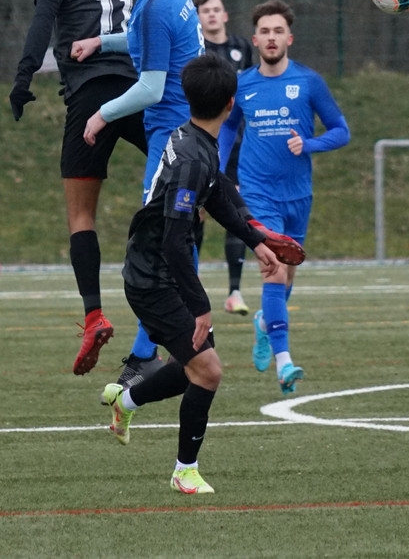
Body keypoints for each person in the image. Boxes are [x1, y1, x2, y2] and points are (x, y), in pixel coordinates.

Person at [99, 53, 280, 494]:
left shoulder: (194, 138)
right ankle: (184, 471)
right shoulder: (193, 159)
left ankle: (126, 401)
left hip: (158, 271)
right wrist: (200, 306)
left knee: (194, 365)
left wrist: (256, 241)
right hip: (152, 279)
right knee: (208, 371)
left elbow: (216, 196)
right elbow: (174, 241)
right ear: (231, 105)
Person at [9, 0, 145, 377]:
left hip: (90, 96)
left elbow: (41, 24)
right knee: (183, 177)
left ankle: (94, 315)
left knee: (81, 215)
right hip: (137, 92)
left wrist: (23, 78)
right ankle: (245, 227)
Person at [71, 0, 203, 388]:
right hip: (189, 136)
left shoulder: (155, 7)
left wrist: (102, 114)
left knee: (154, 249)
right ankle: (179, 337)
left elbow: (151, 86)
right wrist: (100, 42)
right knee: (175, 240)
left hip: (171, 142)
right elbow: (146, 41)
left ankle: (153, 351)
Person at [218, 0, 350, 394]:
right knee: (274, 267)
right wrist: (217, 171)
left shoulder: (308, 82)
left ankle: (264, 321)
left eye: (279, 31)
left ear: (289, 38)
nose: (272, 37)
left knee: (288, 273)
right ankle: (284, 362)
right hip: (257, 193)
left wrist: (309, 145)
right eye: (265, 31)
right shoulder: (241, 84)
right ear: (255, 40)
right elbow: (227, 129)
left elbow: (341, 130)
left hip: (298, 195)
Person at [193, 0, 255, 316]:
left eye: (216, 9)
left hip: (235, 145)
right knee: (195, 211)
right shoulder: (194, 48)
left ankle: (234, 291)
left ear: (225, 15)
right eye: (206, 11)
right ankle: (192, 279)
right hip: (201, 142)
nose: (212, 15)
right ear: (199, 17)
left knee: (235, 211)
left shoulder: (241, 48)